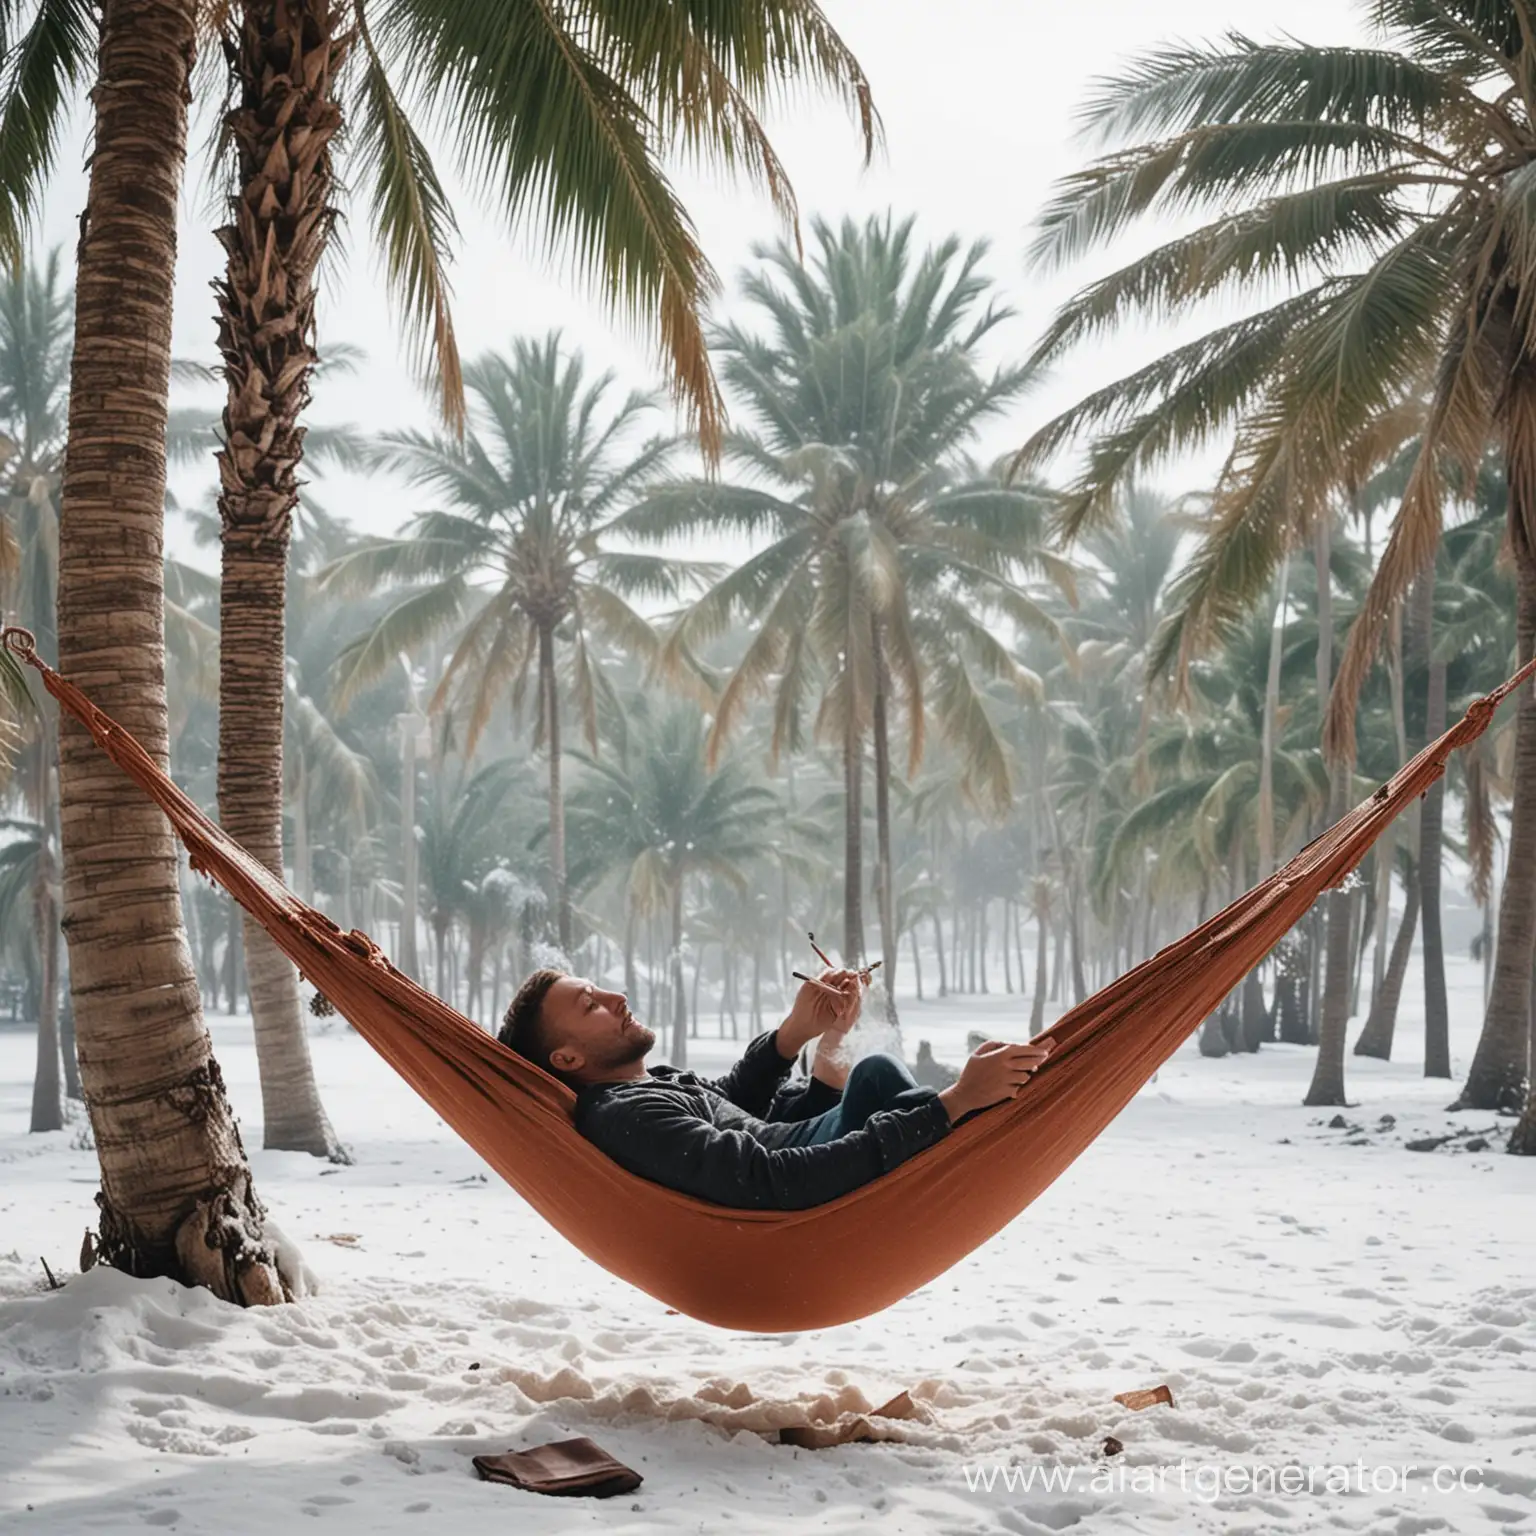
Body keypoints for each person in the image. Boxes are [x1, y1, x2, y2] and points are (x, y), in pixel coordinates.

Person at [497, 966, 1053, 1211]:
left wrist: (809, 1033)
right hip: (808, 1180)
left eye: (600, 990)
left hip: (805, 1140)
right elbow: (770, 1178)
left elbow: (738, 1109)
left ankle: (974, 1128)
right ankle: (971, 1133)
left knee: (874, 1073)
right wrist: (950, 1105)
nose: (616, 998)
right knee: (890, 1079)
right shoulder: (626, 1115)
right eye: (591, 1005)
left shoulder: (652, 1086)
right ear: (567, 1058)